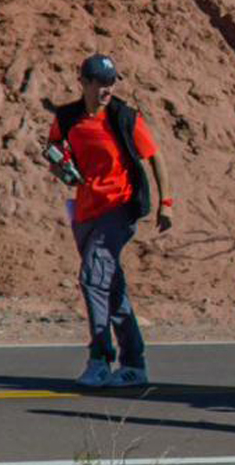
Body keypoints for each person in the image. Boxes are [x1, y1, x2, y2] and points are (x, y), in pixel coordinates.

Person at [46, 53, 173, 388]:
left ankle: (100, 359)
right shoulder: (68, 117)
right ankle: (134, 365)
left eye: (111, 82)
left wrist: (167, 203)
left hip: (120, 207)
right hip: (86, 210)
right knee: (111, 286)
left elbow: (155, 156)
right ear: (84, 83)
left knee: (92, 278)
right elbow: (54, 149)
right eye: (100, 82)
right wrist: (61, 168)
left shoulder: (123, 116)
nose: (107, 88)